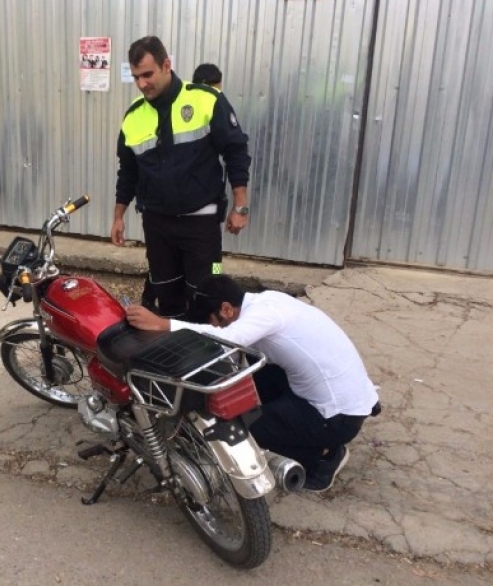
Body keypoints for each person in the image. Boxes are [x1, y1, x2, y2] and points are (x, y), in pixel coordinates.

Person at [125, 274, 381, 492]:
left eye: (212, 321)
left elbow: (229, 338)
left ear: (227, 309)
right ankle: (302, 431)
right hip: (347, 398)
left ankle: (322, 459)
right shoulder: (267, 299)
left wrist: (163, 324)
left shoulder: (262, 317)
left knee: (244, 431)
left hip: (337, 418)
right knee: (254, 368)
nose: (213, 326)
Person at [112, 36, 252, 319]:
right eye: (136, 77)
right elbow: (127, 172)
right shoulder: (133, 117)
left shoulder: (206, 100)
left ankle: (210, 352)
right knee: (166, 292)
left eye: (148, 74)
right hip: (157, 225)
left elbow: (236, 152)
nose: (142, 84)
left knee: (210, 287)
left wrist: (241, 206)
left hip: (202, 225)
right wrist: (118, 216)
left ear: (166, 65)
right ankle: (174, 353)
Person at [139, 60, 227, 311]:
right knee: (164, 265)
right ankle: (151, 295)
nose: (217, 95)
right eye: (214, 90)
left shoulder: (217, 109)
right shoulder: (190, 109)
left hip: (209, 208)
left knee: (214, 263)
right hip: (174, 213)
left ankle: (214, 281)